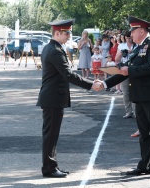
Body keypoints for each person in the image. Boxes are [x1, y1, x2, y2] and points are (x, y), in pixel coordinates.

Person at [103, 16, 150, 178]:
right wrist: (105, 84)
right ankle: (145, 165)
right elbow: (125, 71)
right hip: (140, 96)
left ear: (141, 31)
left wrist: (129, 70)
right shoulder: (137, 48)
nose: (130, 35)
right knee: (144, 132)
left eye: (133, 31)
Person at [36, 19, 103, 178]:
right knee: (51, 134)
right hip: (53, 98)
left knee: (51, 134)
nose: (69, 36)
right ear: (57, 33)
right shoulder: (55, 50)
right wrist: (91, 84)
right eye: (66, 33)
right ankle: (49, 168)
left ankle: (51, 166)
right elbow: (68, 75)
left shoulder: (52, 48)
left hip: (52, 97)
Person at [115, 30, 137, 118]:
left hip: (134, 68)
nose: (129, 39)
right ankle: (128, 111)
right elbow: (117, 59)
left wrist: (132, 52)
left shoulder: (137, 46)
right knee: (125, 92)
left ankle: (136, 111)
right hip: (124, 68)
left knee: (135, 91)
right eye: (127, 38)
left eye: (130, 37)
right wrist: (123, 53)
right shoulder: (121, 46)